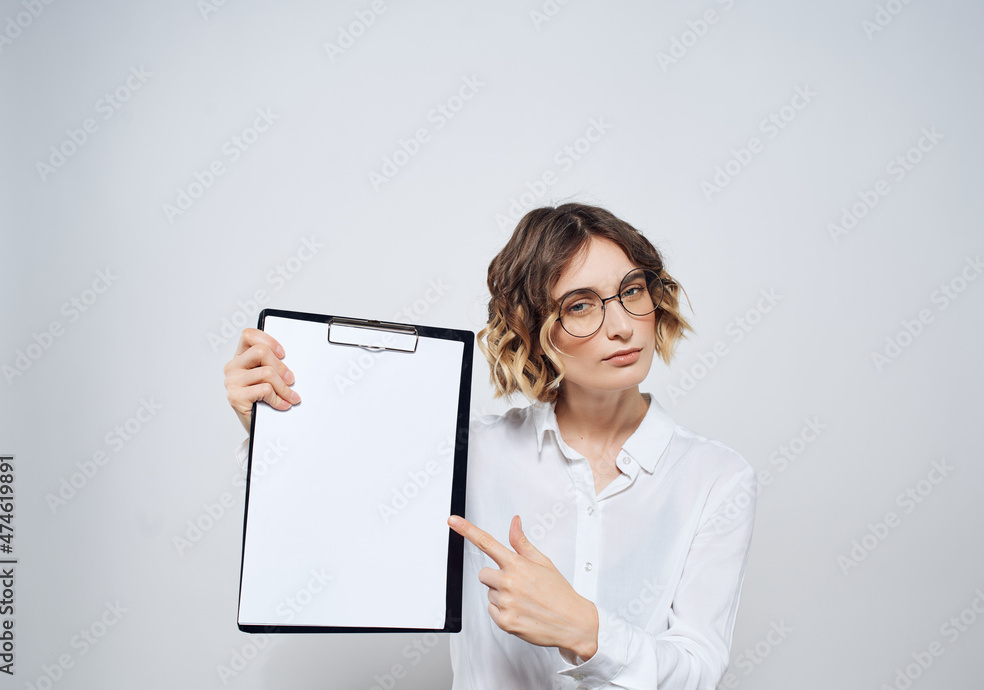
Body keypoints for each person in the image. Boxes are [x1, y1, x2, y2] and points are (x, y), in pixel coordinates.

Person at [224, 203, 757, 689]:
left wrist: (585, 629)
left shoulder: (716, 478)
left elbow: (699, 669)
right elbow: (340, 524)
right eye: (580, 305)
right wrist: (274, 427)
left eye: (632, 291)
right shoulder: (470, 452)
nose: (621, 327)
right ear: (532, 329)